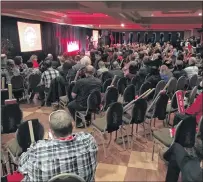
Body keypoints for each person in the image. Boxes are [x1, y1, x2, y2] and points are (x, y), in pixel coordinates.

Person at [18, 110, 98, 182]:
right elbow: (80, 135)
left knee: (21, 177)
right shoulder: (89, 141)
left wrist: (49, 141)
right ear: (73, 126)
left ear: (51, 132)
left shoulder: (36, 151)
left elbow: (21, 166)